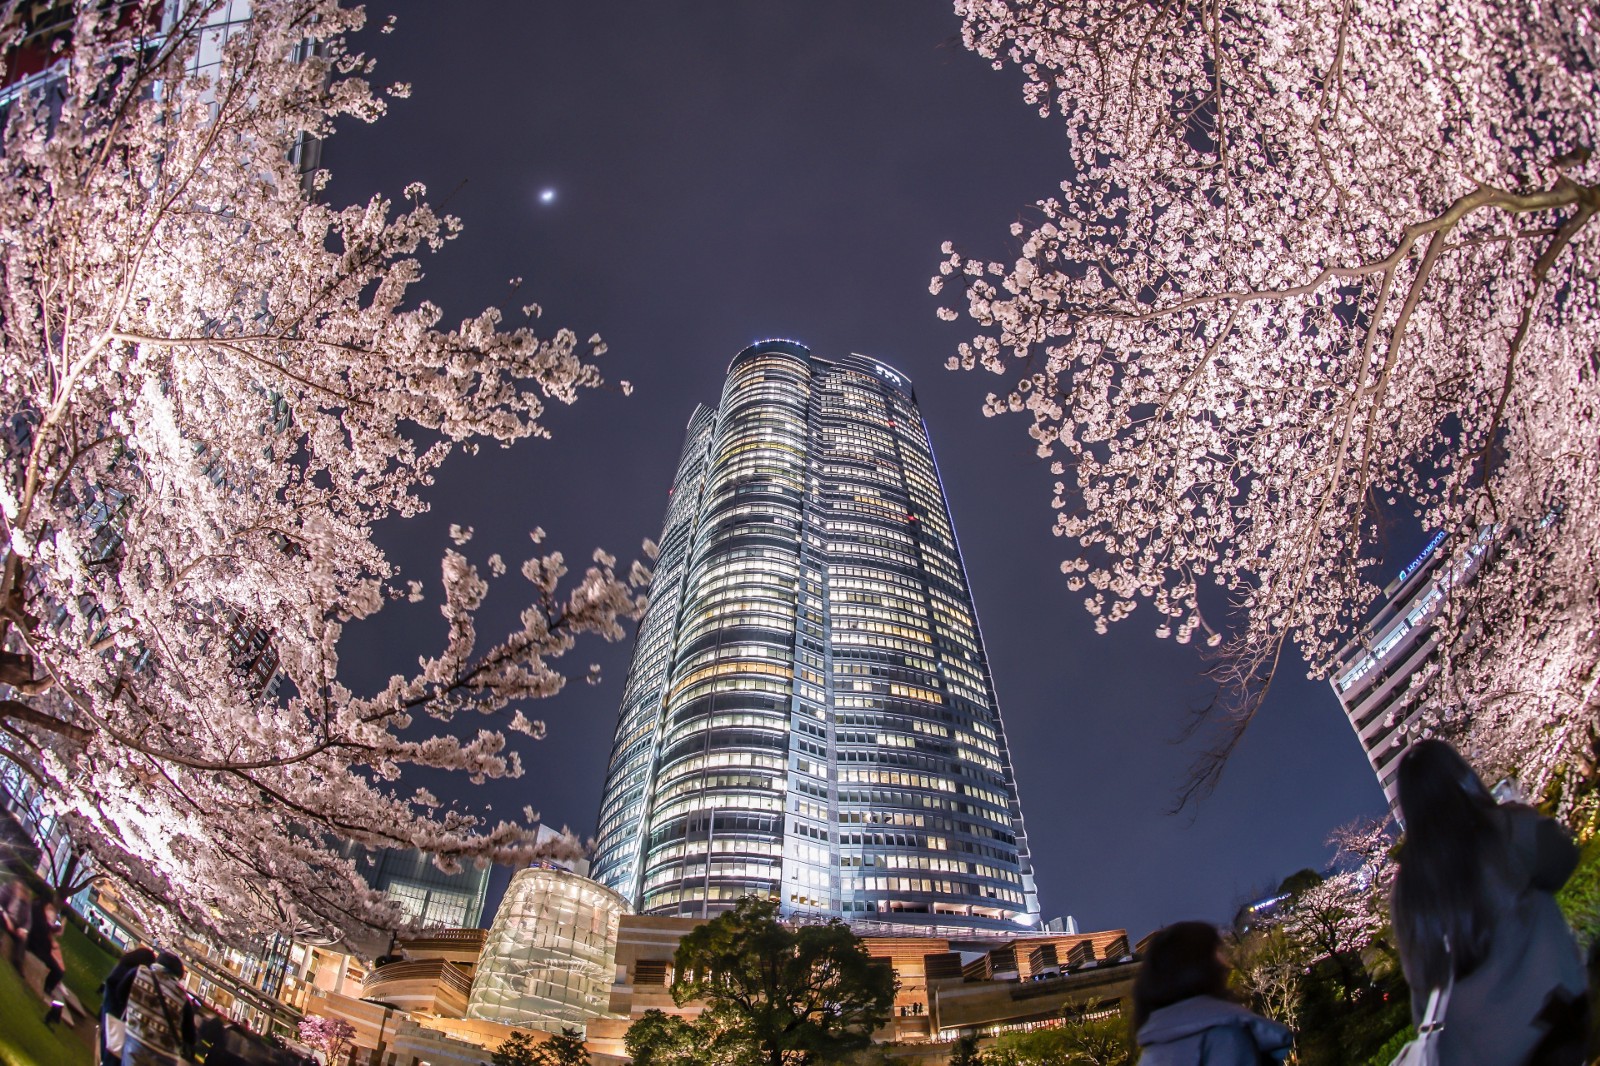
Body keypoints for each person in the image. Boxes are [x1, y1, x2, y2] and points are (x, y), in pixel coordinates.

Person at [1391, 739, 1589, 1066]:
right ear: (1461, 776)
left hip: (1479, 1050)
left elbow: (1422, 981)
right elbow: (1563, 859)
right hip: (1553, 1019)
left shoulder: (1407, 889)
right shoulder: (1503, 827)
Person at [1133, 920, 1292, 1064]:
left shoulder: (1153, 1047)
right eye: (1217, 951)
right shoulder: (1225, 1033)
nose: (1226, 964)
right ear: (1198, 966)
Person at [116, 950, 197, 1065]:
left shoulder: (139, 973)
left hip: (136, 1040)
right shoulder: (183, 998)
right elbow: (190, 1036)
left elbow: (120, 993)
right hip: (165, 1055)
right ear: (177, 975)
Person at [99, 946, 157, 1066]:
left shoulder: (124, 965)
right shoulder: (134, 972)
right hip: (118, 1012)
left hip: (110, 1008)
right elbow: (123, 992)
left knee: (108, 1040)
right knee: (114, 1046)